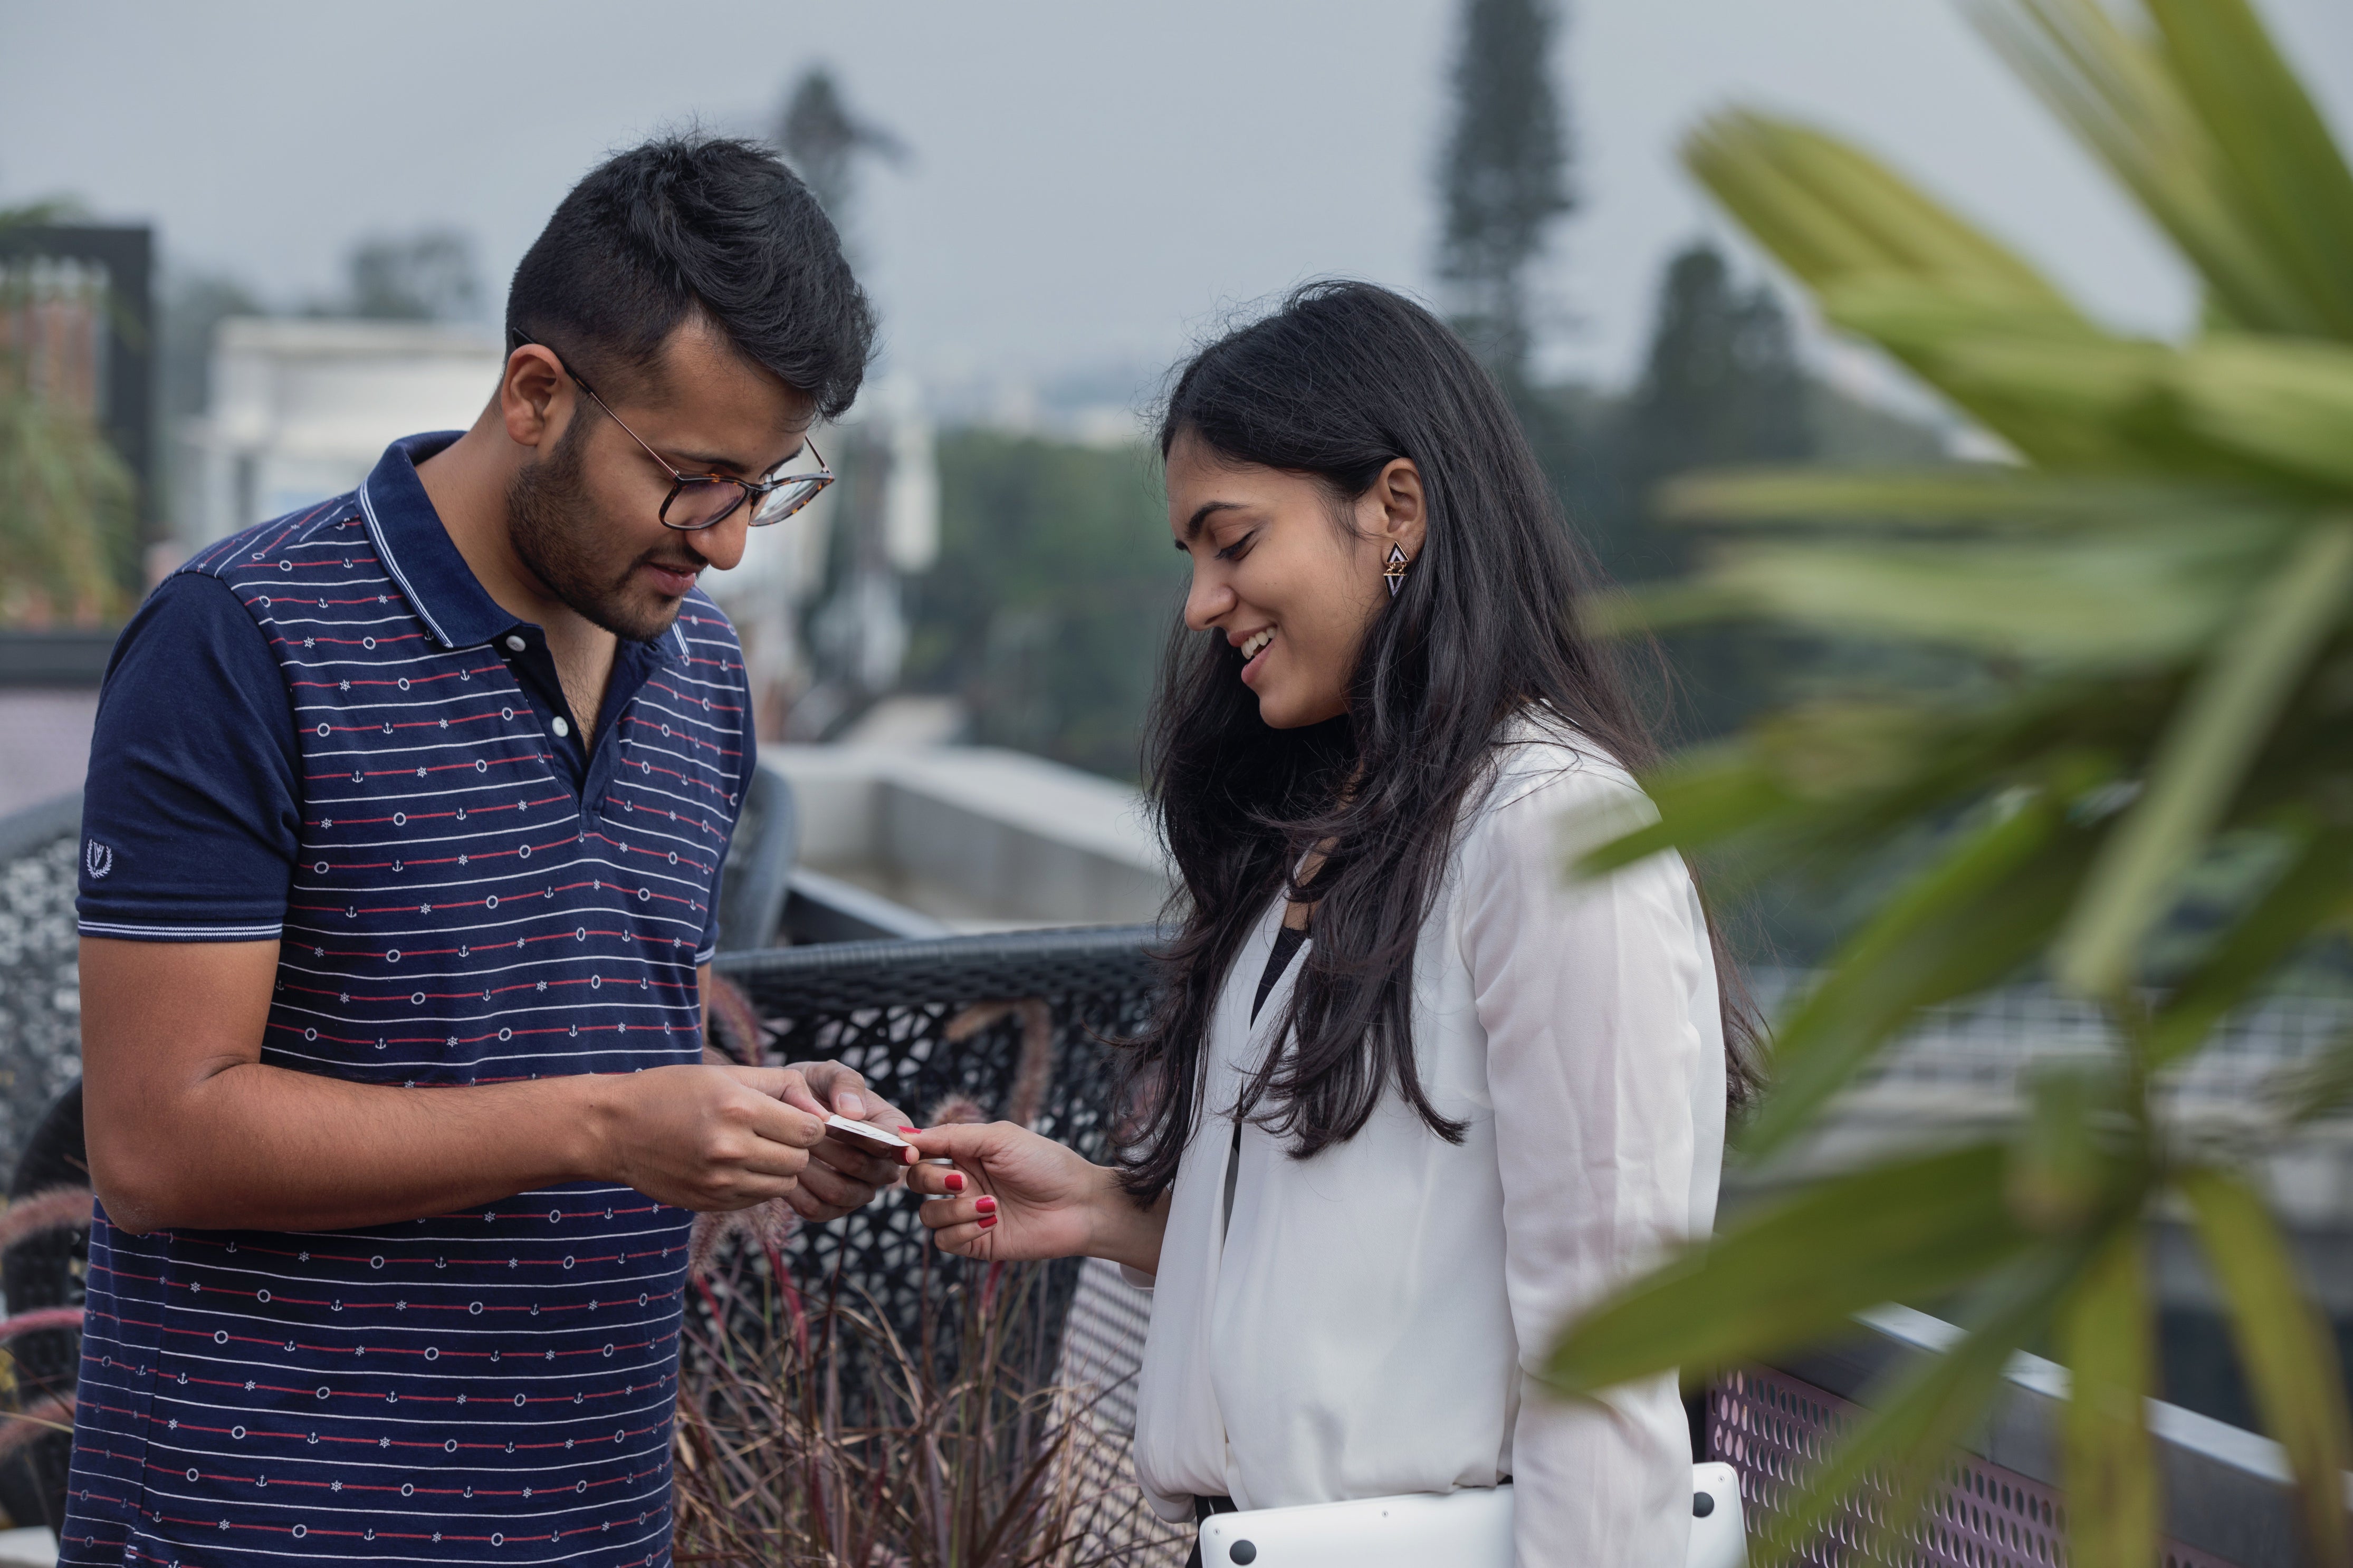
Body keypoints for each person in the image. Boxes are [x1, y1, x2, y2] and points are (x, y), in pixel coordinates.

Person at [65, 136, 915, 1566]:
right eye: (694, 478)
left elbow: (535, 1044)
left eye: (764, 485)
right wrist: (604, 1121)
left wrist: (749, 1118)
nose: (726, 548)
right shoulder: (242, 638)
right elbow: (155, 1138)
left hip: (593, 1518)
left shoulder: (698, 673)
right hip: (270, 1522)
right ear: (536, 394)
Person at [905, 281, 1747, 1565]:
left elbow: (1606, 1349)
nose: (1200, 600)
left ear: (1394, 510)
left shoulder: (1550, 830)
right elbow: (1380, 1252)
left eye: (1231, 542)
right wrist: (1113, 1210)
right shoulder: (1339, 827)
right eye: (1191, 555)